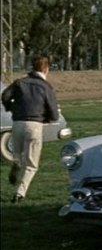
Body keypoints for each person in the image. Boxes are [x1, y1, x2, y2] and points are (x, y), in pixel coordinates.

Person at [1, 55, 60, 204]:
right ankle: (20, 193)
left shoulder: (19, 82)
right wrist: (49, 118)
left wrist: (12, 108)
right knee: (32, 164)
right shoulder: (46, 87)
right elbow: (53, 112)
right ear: (46, 69)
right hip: (34, 125)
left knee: (17, 154)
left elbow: (5, 95)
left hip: (18, 123)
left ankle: (16, 162)